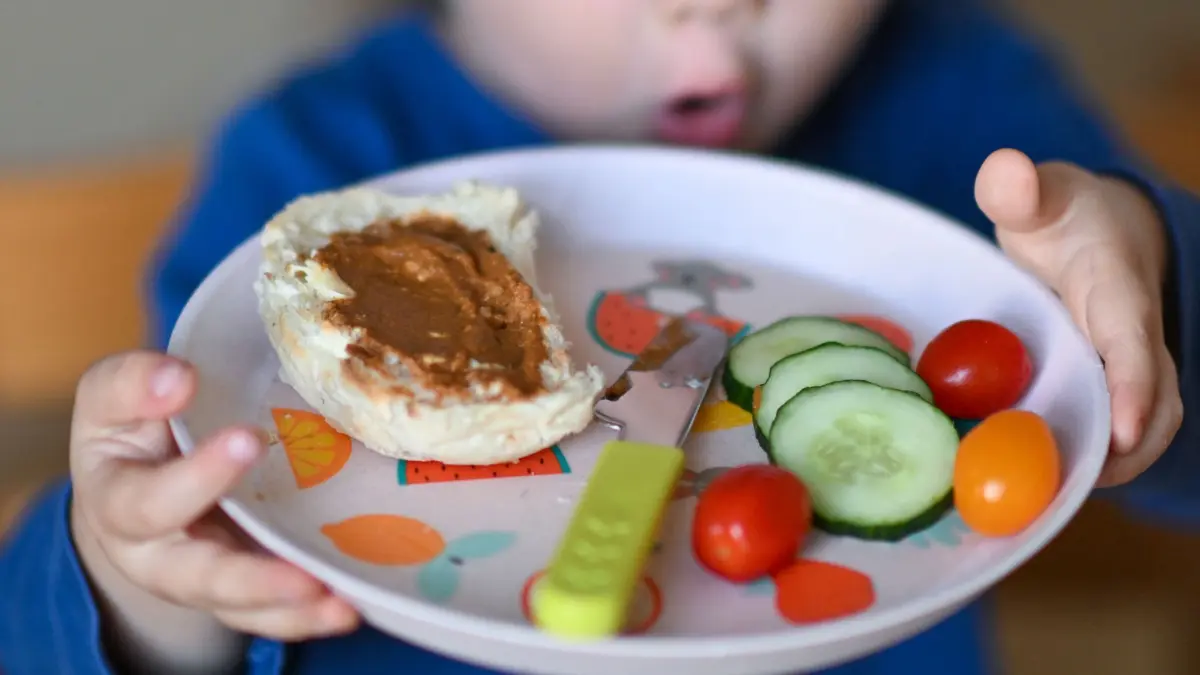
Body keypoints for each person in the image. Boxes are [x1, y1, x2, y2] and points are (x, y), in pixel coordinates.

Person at [2, 0, 1197, 673]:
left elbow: (1151, 424)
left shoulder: (968, 103)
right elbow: (96, 600)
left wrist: (1151, 290)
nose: (716, 6)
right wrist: (141, 595)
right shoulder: (309, 165)